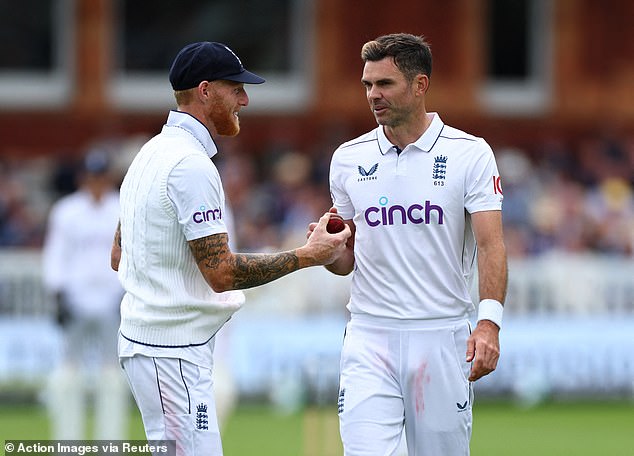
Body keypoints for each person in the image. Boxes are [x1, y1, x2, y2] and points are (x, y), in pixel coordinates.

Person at [110, 41, 350, 456]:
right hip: (172, 352)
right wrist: (307, 255)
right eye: (235, 88)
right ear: (205, 91)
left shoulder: (149, 153)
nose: (245, 98)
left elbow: (118, 255)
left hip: (155, 346)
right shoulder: (190, 165)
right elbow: (220, 275)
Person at [318, 33, 508, 455]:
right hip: (369, 336)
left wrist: (489, 323)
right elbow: (345, 258)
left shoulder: (470, 154)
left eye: (384, 84)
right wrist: (327, 252)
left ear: (420, 85)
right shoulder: (348, 158)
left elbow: (491, 245)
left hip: (440, 336)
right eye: (367, 85)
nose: (372, 95)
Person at [42, 149, 129, 440]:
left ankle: (110, 441)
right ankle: (67, 441)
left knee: (112, 376)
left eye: (101, 177)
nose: (96, 183)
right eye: (92, 177)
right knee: (69, 374)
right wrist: (58, 293)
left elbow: (132, 256)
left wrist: (126, 293)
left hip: (111, 299)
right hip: (76, 299)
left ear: (109, 178)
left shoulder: (122, 208)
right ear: (83, 178)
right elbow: (56, 254)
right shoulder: (67, 211)